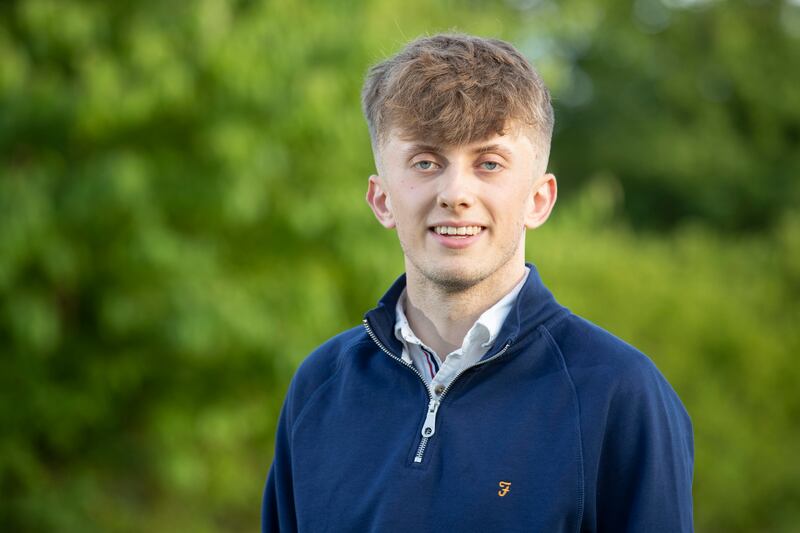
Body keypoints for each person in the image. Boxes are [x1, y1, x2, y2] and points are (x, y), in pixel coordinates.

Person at [262, 33, 693, 532]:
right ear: (382, 200)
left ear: (538, 199)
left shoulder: (619, 393)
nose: (455, 194)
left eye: (488, 163)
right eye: (426, 162)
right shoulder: (320, 386)